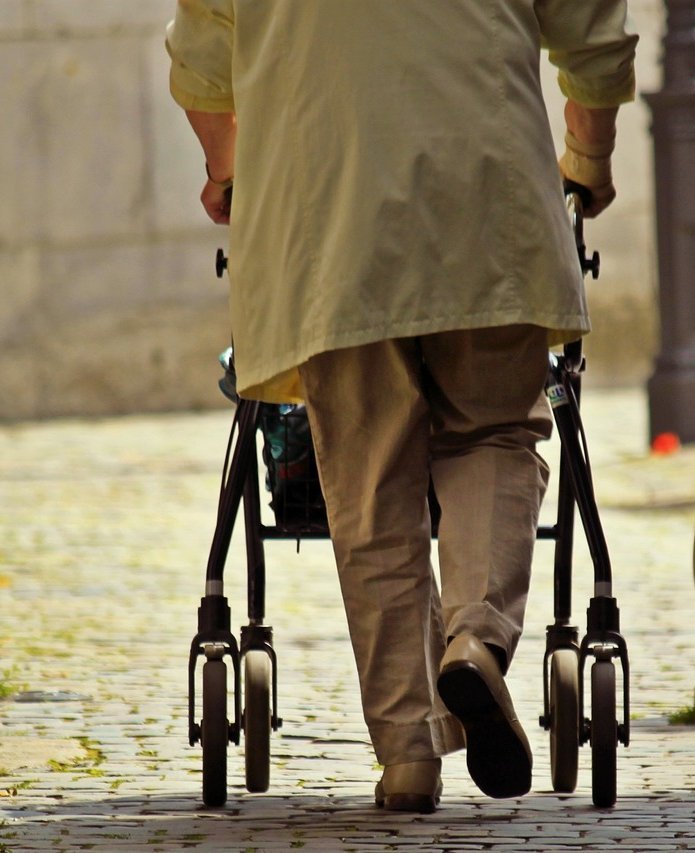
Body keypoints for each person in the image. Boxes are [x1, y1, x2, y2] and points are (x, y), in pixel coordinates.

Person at [167, 0, 637, 813]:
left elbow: (203, 67)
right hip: (487, 190)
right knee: (493, 430)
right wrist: (587, 158)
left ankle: (408, 752)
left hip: (327, 212)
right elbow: (593, 33)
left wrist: (231, 172)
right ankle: (477, 636)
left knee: (369, 473)